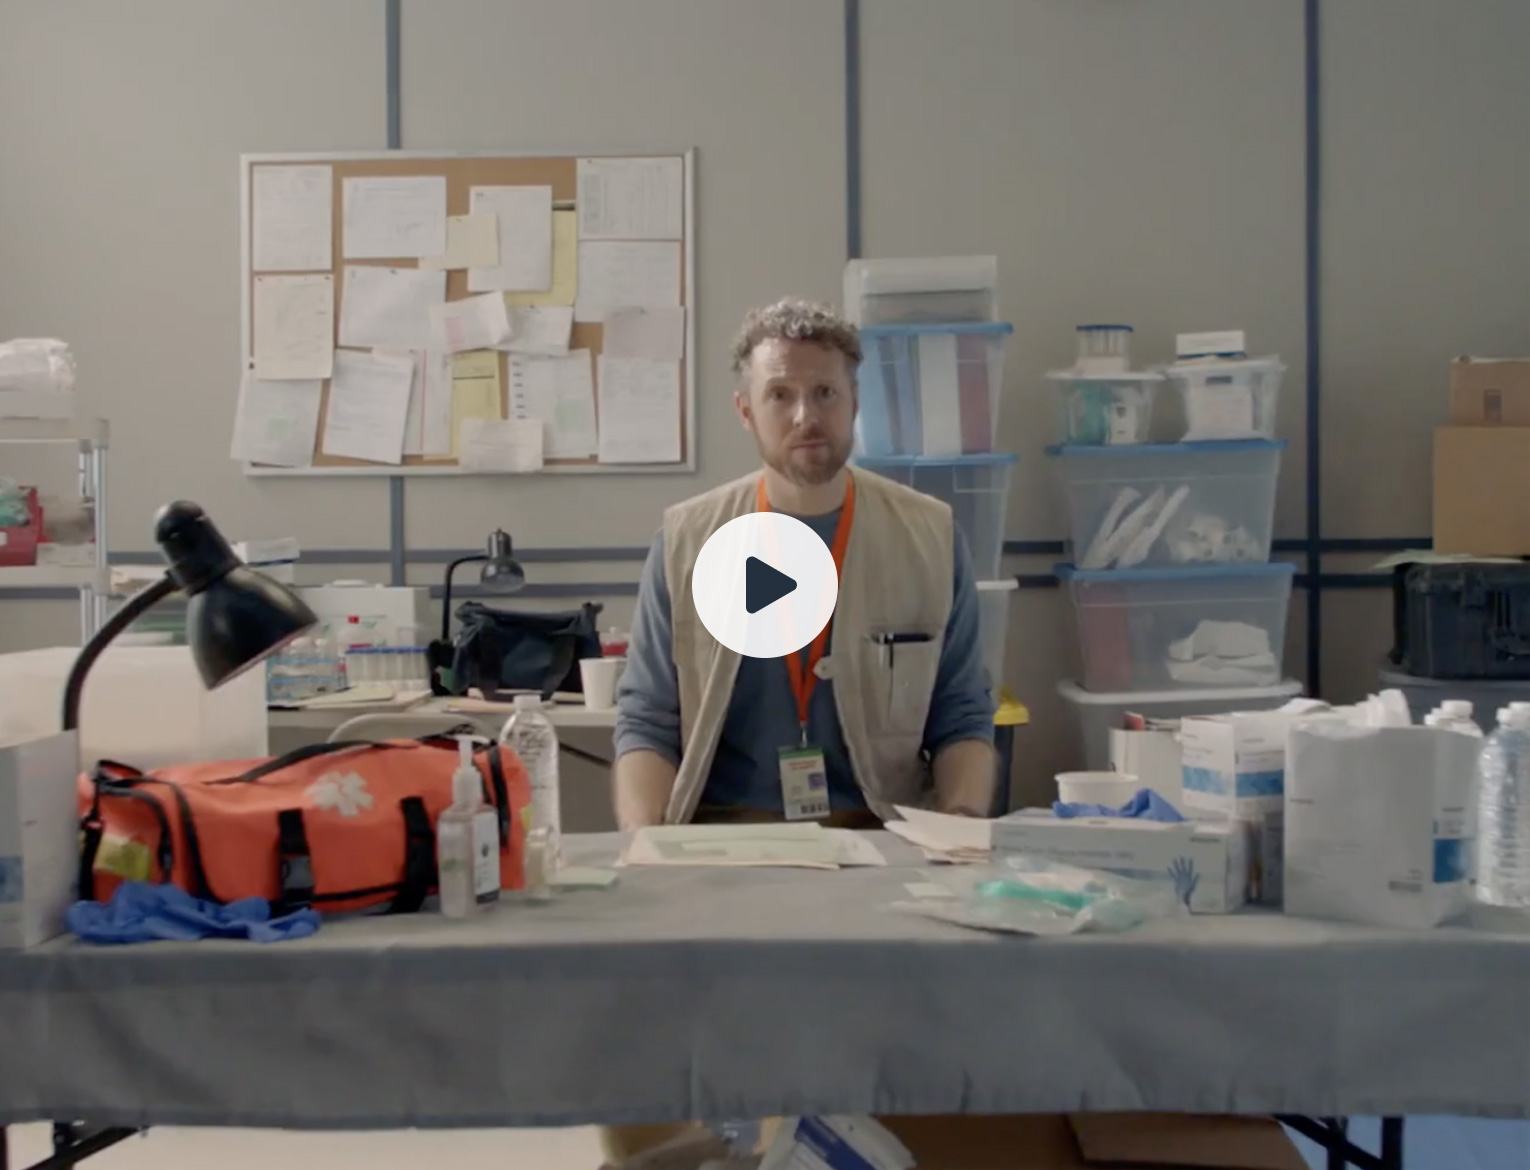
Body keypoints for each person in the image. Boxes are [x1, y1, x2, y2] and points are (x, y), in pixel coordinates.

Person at [612, 298, 996, 831]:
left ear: (855, 401)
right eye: (780, 395)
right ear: (746, 411)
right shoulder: (688, 543)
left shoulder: (928, 536)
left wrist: (960, 826)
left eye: (825, 393)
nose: (806, 417)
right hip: (724, 839)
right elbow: (648, 721)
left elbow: (963, 714)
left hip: (883, 835)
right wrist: (644, 843)